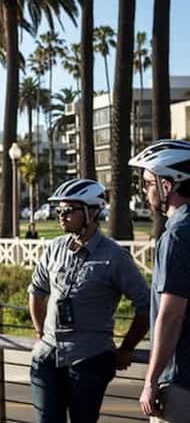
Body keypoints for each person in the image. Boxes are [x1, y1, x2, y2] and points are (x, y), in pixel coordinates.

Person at [28, 178, 150, 423]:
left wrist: (126, 348)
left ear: (92, 212)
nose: (61, 216)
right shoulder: (54, 248)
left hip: (90, 360)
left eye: (68, 210)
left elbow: (146, 306)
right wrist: (41, 333)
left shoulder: (115, 257)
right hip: (48, 357)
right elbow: (37, 291)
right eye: (58, 210)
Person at [129, 140, 190, 421]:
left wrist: (151, 381)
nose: (144, 190)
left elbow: (171, 316)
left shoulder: (177, 236)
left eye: (148, 183)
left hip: (181, 381)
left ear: (167, 186)